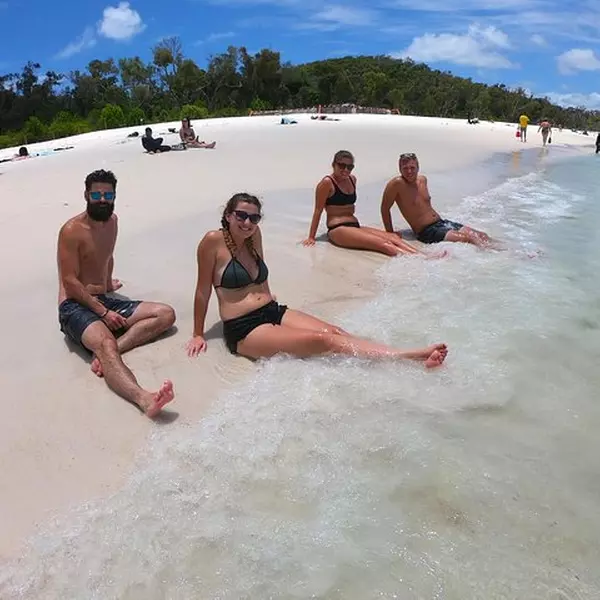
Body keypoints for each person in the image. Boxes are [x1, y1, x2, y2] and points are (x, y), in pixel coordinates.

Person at [187, 192, 448, 367]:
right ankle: (409, 357)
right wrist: (198, 334)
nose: (247, 222)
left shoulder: (254, 236)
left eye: (253, 218)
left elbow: (260, 275)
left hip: (271, 310)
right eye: (241, 215)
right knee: (323, 342)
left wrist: (266, 296)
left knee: (334, 332)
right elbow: (202, 291)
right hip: (244, 329)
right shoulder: (213, 242)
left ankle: (381, 356)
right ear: (228, 215)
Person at [56, 169, 176, 417]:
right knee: (105, 343)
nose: (102, 199)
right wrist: (103, 312)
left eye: (108, 194)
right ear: (86, 195)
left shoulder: (112, 222)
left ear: (114, 195)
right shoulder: (72, 230)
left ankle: (108, 355)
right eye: (96, 194)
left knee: (166, 314)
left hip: (103, 299)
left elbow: (107, 256)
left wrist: (108, 284)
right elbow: (70, 281)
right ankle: (144, 399)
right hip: (74, 305)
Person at [302, 150, 432, 257]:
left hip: (355, 226)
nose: (346, 170)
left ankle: (423, 255)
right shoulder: (326, 183)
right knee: (384, 244)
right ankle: (419, 260)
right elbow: (318, 211)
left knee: (393, 238)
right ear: (333, 165)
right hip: (338, 229)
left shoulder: (352, 179)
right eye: (342, 166)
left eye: (350, 167)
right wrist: (311, 237)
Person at [380, 153, 497, 248]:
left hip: (441, 222)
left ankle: (504, 251)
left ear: (418, 167)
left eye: (412, 168)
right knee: (469, 239)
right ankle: (492, 257)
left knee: (481, 236)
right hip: (426, 232)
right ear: (399, 169)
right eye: (405, 168)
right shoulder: (397, 184)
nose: (409, 171)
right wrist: (390, 233)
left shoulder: (422, 180)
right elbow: (385, 208)